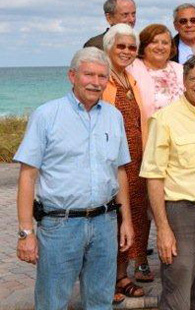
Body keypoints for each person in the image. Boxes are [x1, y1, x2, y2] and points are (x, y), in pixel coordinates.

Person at [15, 47, 133, 309]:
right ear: (72, 76)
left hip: (105, 223)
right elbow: (28, 175)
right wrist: (26, 232)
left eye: (102, 76)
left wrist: (126, 221)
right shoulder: (47, 115)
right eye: (88, 74)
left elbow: (120, 171)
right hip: (60, 226)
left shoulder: (114, 117)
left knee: (100, 301)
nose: (95, 82)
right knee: (52, 302)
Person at [140, 55, 195, 309]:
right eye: (194, 79)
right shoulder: (164, 119)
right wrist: (163, 229)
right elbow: (154, 177)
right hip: (181, 213)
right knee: (178, 289)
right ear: (184, 81)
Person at [102, 24, 152, 303]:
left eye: (131, 47)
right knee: (111, 222)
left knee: (131, 221)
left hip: (136, 162)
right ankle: (105, 281)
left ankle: (122, 276)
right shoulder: (102, 78)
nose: (126, 51)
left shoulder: (129, 79)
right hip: (112, 163)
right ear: (109, 47)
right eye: (121, 46)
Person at [127, 23, 184, 119]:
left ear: (171, 47)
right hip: (145, 130)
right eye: (154, 42)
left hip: (179, 130)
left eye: (165, 43)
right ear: (143, 45)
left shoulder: (180, 69)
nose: (160, 47)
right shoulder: (131, 67)